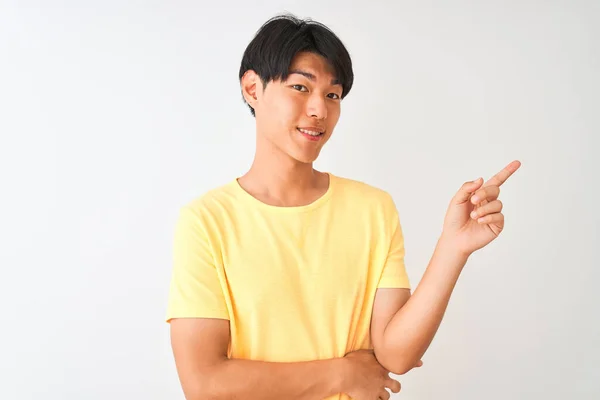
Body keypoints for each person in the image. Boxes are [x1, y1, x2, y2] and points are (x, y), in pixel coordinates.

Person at [165, 13, 521, 400]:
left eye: (333, 95)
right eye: (301, 87)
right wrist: (340, 375)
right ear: (252, 88)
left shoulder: (373, 208)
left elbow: (396, 355)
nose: (320, 110)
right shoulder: (206, 221)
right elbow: (204, 384)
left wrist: (453, 248)